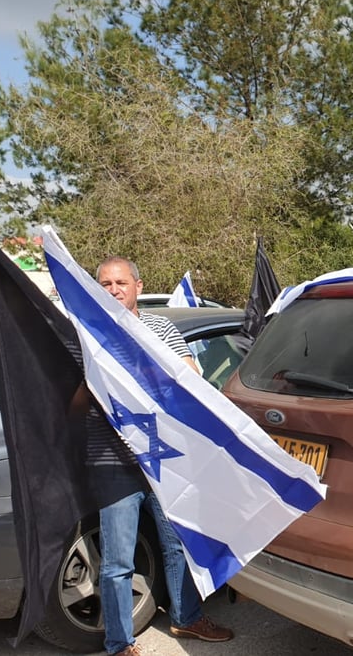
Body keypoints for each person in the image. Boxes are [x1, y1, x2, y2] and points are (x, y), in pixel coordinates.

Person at [86, 256, 233, 656]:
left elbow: (189, 378)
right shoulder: (88, 334)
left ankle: (186, 619)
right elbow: (77, 398)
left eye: (120, 282)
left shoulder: (159, 328)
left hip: (164, 459)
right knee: (117, 561)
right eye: (104, 284)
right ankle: (119, 643)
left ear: (138, 285)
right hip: (112, 462)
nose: (113, 289)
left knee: (179, 542)